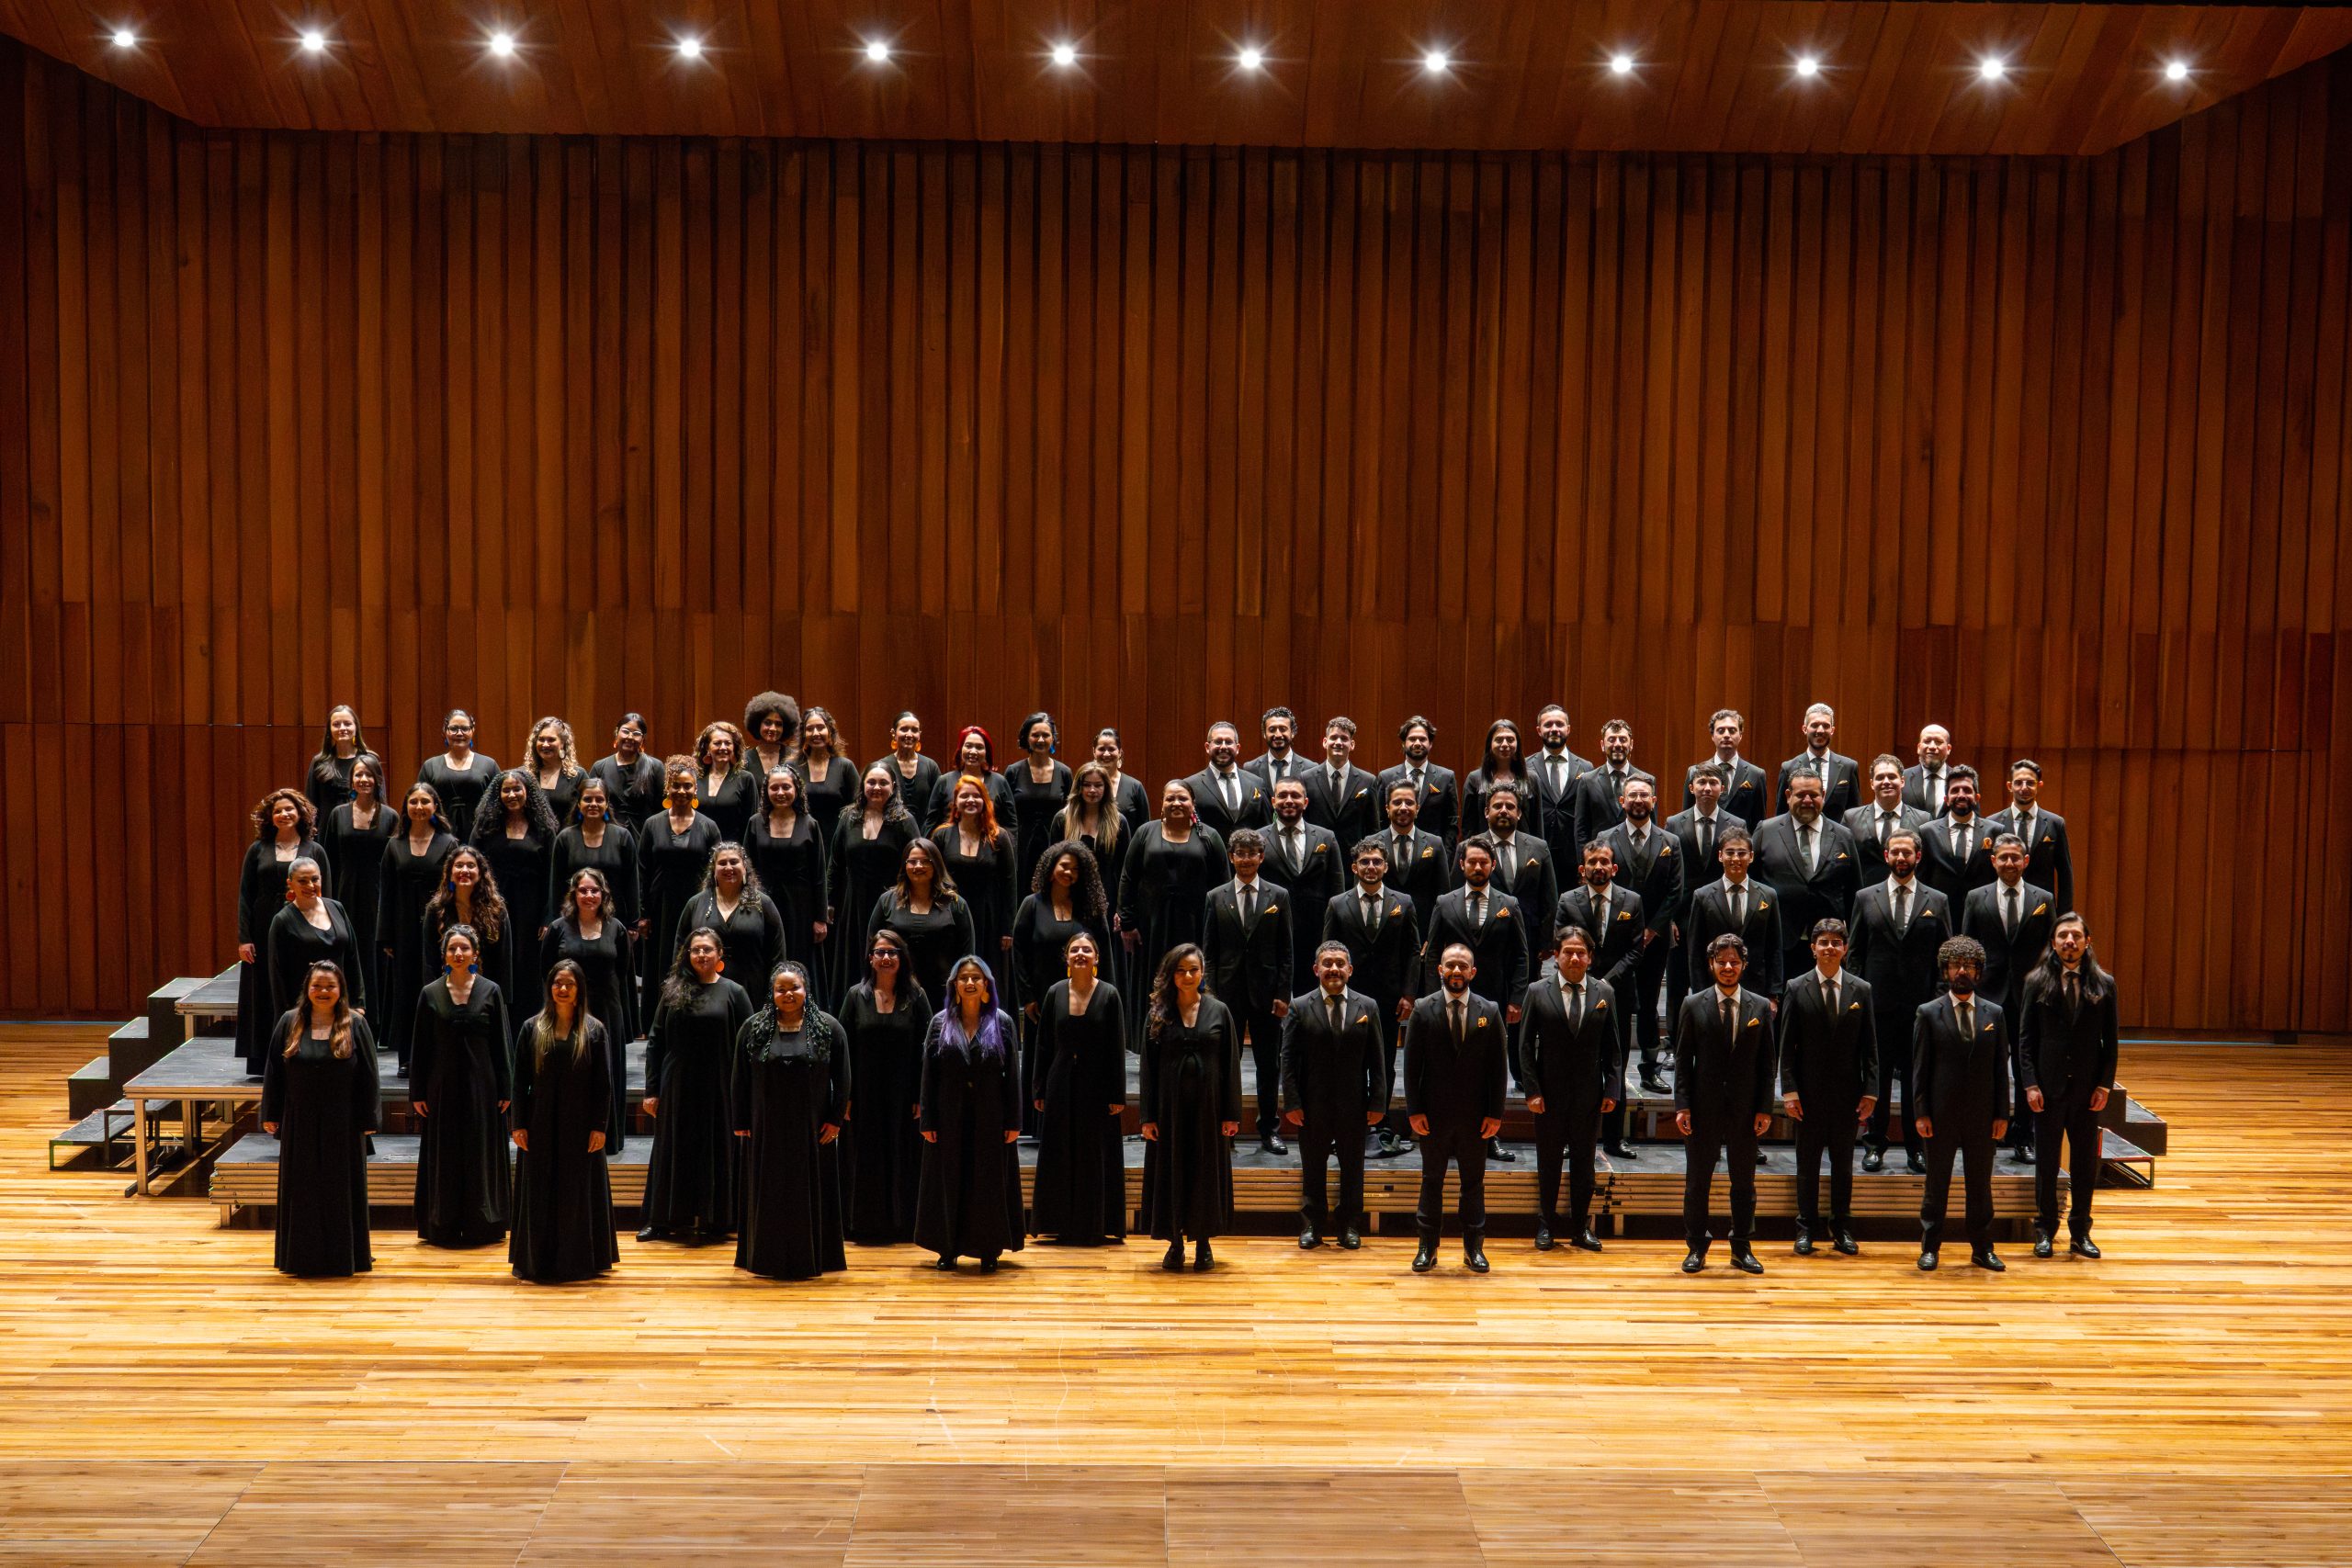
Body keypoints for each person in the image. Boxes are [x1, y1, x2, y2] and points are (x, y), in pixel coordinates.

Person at [260, 961, 381, 1278]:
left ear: (341, 990)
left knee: (339, 1188)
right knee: (303, 1189)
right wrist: (270, 1114)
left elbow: (369, 1075)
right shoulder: (290, 1022)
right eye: (317, 986)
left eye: (330, 986)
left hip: (343, 1121)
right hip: (299, 1121)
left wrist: (369, 1118)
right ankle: (302, 1258)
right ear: (307, 989)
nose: (323, 992)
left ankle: (344, 1257)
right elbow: (274, 1071)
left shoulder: (355, 1023)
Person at [732, 960, 850, 1281]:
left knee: (808, 1192)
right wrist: (741, 1118)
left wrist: (836, 1119)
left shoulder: (827, 1027)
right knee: (767, 1192)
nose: (788, 993)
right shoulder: (753, 1027)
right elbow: (739, 1078)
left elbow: (843, 1078)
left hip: (813, 1130)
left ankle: (814, 1257)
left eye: (794, 987)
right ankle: (765, 1259)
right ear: (771, 993)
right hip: (765, 1129)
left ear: (806, 990)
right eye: (780, 989)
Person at [639, 928, 753, 1243]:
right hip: (678, 1083)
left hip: (719, 1085)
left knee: (718, 1149)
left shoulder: (734, 992)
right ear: (687, 956)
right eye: (695, 950)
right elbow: (656, 1041)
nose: (701, 955)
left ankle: (719, 1220)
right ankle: (662, 1220)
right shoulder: (674, 991)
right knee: (672, 1150)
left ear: (720, 957)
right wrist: (651, 1090)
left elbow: (750, 1043)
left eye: (707, 950)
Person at [1848, 829, 1951, 1175]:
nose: (1901, 858)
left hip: (1921, 1009)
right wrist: (1859, 996)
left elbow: (1945, 955)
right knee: (1874, 1078)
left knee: (1915, 1079)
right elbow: (1856, 954)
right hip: (1877, 1005)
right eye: (1895, 852)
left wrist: (1938, 999)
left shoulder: (1937, 900)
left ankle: (1915, 1147)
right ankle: (1874, 1144)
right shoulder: (1865, 897)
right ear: (1886, 855)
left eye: (1908, 852)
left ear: (1918, 857)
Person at [507, 961, 617, 1284]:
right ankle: (538, 1260)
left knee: (577, 1192)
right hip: (540, 1123)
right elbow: (519, 1081)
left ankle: (579, 1261)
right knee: (540, 1190)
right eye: (558, 983)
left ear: (579, 988)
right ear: (550, 988)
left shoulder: (594, 1030)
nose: (564, 989)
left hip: (580, 1126)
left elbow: (603, 1084)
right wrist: (518, 1124)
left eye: (570, 983)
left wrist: (600, 1125)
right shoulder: (532, 1028)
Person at [1672, 933, 1776, 1274]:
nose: (1728, 967)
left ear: (1744, 965)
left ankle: (1742, 1247)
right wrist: (1682, 1105)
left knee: (1744, 1183)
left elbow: (1767, 1063)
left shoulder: (1760, 1006)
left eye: (1734, 961)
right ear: (1711, 964)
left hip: (1746, 1111)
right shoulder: (1693, 1004)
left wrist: (1764, 1107)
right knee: (1697, 1182)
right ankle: (1696, 1247)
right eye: (1721, 961)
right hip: (1703, 1108)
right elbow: (1683, 1060)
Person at [2017, 915, 2119, 1260]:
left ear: (2088, 941)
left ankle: (2081, 1232)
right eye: (2063, 936)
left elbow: (2112, 1042)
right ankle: (2045, 1230)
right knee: (2046, 1163)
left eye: (2076, 935)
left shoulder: (2104, 983)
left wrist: (2104, 1084)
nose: (2069, 941)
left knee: (2083, 1164)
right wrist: (2030, 1084)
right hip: (2047, 1088)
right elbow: (2025, 1040)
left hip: (2086, 1090)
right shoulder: (2035, 981)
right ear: (2053, 942)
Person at [915, 955, 1026, 1272]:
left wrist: (1014, 1121)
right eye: (963, 978)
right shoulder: (940, 1023)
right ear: (955, 986)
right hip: (949, 1116)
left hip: (990, 1117)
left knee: (987, 1183)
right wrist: (928, 1120)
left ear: (986, 985)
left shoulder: (1002, 1022)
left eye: (976, 978)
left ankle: (988, 1249)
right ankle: (948, 1248)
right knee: (949, 1180)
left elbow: (1012, 1077)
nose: (970, 983)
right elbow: (928, 1075)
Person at [1403, 943, 1508, 1273]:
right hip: (1432, 1115)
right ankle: (1427, 1247)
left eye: (1463, 966)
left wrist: (1496, 1113)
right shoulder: (1422, 1008)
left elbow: (1497, 1067)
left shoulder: (1489, 1010)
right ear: (1440, 970)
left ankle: (1473, 1248)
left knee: (1473, 1183)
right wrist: (1414, 1110)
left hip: (1475, 1117)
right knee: (1431, 1179)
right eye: (1450, 965)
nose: (1456, 971)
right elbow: (1411, 1066)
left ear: (1473, 972)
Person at [1515, 926, 1620, 1253]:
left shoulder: (1605, 992)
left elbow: (1613, 1049)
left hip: (1589, 1095)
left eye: (1581, 952)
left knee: (1584, 1165)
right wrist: (1532, 1090)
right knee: (1548, 1163)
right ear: (1556, 957)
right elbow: (1523, 1047)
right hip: (1548, 1094)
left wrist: (1612, 1089)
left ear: (1589, 958)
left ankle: (1580, 1227)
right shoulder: (1536, 991)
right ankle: (1546, 1225)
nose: (1574, 957)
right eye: (1567, 952)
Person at [1776, 919, 1878, 1257]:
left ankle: (1842, 1229)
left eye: (1836, 942)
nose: (1830, 948)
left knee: (1843, 1167)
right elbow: (1786, 1045)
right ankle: (1805, 1229)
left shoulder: (1861, 989)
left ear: (1846, 949)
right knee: (1807, 1166)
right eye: (1823, 942)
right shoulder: (1795, 986)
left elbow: (1870, 1048)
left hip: (1848, 1096)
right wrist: (1789, 1091)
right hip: (1807, 1095)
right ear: (1813, 948)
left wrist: (1871, 1091)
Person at [410, 925, 515, 1248]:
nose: (458, 953)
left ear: (475, 954)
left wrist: (506, 1089)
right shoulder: (430, 993)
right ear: (444, 956)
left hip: (482, 1087)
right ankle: (443, 1223)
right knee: (445, 1153)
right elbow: (421, 1047)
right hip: (441, 1088)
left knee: (479, 1151)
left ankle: (483, 1223)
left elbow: (501, 1044)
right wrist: (417, 1092)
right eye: (452, 949)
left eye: (464, 948)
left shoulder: (491, 990)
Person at [1138, 944, 1242, 1271]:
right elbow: (1148, 1070)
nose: (1187, 976)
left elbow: (1231, 1064)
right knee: (1171, 1170)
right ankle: (1174, 1243)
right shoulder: (1159, 1011)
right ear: (1171, 974)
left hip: (1208, 1110)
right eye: (1181, 970)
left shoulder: (1219, 1010)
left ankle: (1205, 1244)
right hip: (1169, 1111)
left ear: (1202, 973)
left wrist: (1232, 1114)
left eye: (1193, 970)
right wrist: (1147, 1117)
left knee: (1205, 1173)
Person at [1913, 935, 2012, 1271]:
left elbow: (2001, 1068)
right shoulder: (1928, 1013)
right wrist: (1921, 1111)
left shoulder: (1995, 1014)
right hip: (1940, 1115)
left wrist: (2003, 1112)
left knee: (1980, 1186)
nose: (1962, 971)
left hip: (1982, 1116)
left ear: (1979, 973)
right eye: (1956, 965)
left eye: (1969, 965)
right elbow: (1920, 1068)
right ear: (1945, 971)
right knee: (1935, 1184)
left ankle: (1982, 1248)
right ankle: (1930, 1248)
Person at [1282, 942, 1385, 1249]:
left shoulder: (1368, 1007)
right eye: (1327, 963)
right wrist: (1292, 1102)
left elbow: (1378, 1059)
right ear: (1316, 970)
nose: (1334, 969)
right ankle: (1312, 1224)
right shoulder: (1300, 1006)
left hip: (1354, 1103)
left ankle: (1349, 1225)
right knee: (1313, 1165)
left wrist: (1378, 1101)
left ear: (1350, 970)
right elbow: (1287, 1059)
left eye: (1340, 963)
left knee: (1353, 1166)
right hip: (1312, 1104)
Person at [1320, 838, 1420, 1157]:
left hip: (1390, 999)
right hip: (1348, 998)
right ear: (1354, 867)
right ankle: (1348, 1123)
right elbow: (1329, 952)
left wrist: (1408, 994)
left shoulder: (1403, 902)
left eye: (1377, 861)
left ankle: (1382, 1122)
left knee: (1385, 1063)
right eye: (1365, 862)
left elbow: (1412, 954)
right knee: (1346, 1063)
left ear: (1385, 866)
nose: (1371, 867)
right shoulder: (1338, 904)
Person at [1027, 931, 1128, 1246]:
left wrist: (1118, 1094)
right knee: (1060, 1149)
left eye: (1087, 949)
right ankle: (1059, 1222)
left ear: (1097, 958)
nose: (1081, 954)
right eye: (1075, 950)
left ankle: (1094, 1223)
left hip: (1097, 1086)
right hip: (1060, 1082)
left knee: (1093, 1152)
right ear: (1067, 958)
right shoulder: (1055, 992)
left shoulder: (1110, 994)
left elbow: (1116, 1047)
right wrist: (1039, 1088)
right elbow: (1043, 1045)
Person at [1962, 834, 2056, 1161]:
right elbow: (1968, 950)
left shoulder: (2044, 898)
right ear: (1993, 861)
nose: (2009, 863)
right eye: (2003, 858)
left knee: (2025, 1066)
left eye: (2016, 858)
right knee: (1985, 1066)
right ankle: (1983, 1130)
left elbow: (2050, 951)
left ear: (2026, 861)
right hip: (1987, 995)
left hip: (2029, 996)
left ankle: (2023, 1137)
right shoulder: (1976, 897)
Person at [1201, 829, 1293, 1156]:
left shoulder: (1278, 896)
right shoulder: (1216, 896)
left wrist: (1284, 993)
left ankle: (1269, 1130)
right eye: (1240, 854)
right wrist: (1208, 996)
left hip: (1268, 996)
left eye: (1252, 854)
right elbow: (1209, 953)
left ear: (1261, 857)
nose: (1245, 860)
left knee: (1269, 1067)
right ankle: (1225, 1129)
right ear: (1231, 856)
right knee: (1226, 1064)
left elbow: (1286, 951)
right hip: (1226, 996)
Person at [837, 930, 933, 1244]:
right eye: (880, 952)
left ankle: (904, 1225)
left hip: (904, 1096)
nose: (887, 958)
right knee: (865, 1157)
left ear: (902, 958)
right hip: (863, 1095)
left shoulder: (916, 996)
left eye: (893, 952)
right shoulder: (855, 996)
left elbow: (928, 1048)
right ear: (871, 959)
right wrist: (845, 1095)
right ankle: (862, 1224)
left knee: (902, 1155)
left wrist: (922, 1093)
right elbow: (843, 1049)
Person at [1116, 781, 1228, 1047]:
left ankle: (1194, 1034)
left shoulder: (1208, 836)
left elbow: (1223, 884)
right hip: (1151, 926)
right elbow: (1128, 878)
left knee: (1192, 976)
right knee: (1153, 979)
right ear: (1162, 803)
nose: (1176, 804)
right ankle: (1150, 1038)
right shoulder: (1145, 832)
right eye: (1170, 799)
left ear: (1193, 803)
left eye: (1182, 799)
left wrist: (1219, 926)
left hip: (1195, 924)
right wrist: (1128, 922)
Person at [234, 788, 332, 1075]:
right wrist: (244, 938)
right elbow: (245, 895)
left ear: (301, 814)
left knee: (297, 985)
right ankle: (264, 1058)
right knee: (264, 988)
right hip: (264, 925)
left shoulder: (315, 850)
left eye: (289, 809)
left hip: (302, 925)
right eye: (278, 810)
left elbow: (327, 896)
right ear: (270, 817)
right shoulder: (257, 849)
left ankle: (303, 1052)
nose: (284, 814)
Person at [1593, 775, 1680, 1093]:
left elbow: (1675, 891)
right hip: (1615, 938)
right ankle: (1607, 1069)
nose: (1639, 800)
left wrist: (1652, 929)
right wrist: (1629, 930)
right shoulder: (1606, 838)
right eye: (1633, 795)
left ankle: (1648, 1068)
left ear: (1654, 801)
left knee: (1647, 1004)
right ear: (1622, 802)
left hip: (1655, 940)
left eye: (1645, 795)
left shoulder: (1671, 842)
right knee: (1612, 1001)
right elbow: (1599, 882)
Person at [1010, 842, 1113, 1107]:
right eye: (1064, 866)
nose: (1069, 872)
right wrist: (1027, 997)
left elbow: (1105, 955)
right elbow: (1018, 952)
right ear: (1051, 867)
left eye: (1076, 869)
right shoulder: (1031, 905)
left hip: (1085, 997)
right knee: (1043, 1054)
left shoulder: (1090, 907)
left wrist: (1106, 997)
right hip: (1042, 997)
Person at [540, 868, 637, 1149]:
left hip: (607, 1010)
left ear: (603, 895)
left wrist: (629, 1024)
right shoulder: (558, 928)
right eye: (583, 890)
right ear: (574, 894)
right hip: (566, 1010)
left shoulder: (616, 928)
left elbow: (625, 973)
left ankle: (607, 1139)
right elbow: (546, 972)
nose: (589, 895)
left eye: (594, 890)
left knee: (606, 1074)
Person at [1664, 761, 1746, 1060]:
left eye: (1713, 783)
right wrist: (1670, 917)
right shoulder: (1674, 822)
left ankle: (1715, 1042)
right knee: (1677, 985)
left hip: (1721, 916)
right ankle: (1673, 1047)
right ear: (1691, 788)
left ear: (1722, 789)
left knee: (1716, 980)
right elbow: (1670, 874)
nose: (1707, 788)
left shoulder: (1737, 825)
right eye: (1702, 783)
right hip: (1682, 918)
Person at [375, 783, 458, 1073]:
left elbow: (453, 889)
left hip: (438, 929)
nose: (419, 807)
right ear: (406, 808)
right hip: (402, 929)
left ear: (435, 806)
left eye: (425, 802)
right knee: (406, 992)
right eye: (414, 802)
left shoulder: (449, 843)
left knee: (436, 988)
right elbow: (385, 892)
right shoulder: (393, 845)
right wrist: (385, 935)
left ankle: (436, 1054)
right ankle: (407, 1058)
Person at [1752, 765, 1861, 985]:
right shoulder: (1766, 831)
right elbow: (1752, 886)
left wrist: (1852, 946)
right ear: (1788, 795)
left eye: (1813, 795)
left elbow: (1854, 893)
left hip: (1828, 945)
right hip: (1780, 944)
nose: (1807, 800)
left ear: (1823, 795)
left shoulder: (1843, 835)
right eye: (1801, 795)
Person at [636, 755, 723, 1023]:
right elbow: (642, 869)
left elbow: (717, 872)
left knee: (694, 957)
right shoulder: (652, 824)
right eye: (676, 785)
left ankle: (693, 1015)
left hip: (696, 906)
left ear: (695, 789)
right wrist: (642, 913)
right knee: (660, 963)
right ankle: (658, 1020)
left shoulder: (709, 826)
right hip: (660, 905)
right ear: (667, 789)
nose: (682, 791)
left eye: (687, 786)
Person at [826, 763, 921, 1005]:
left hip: (891, 905)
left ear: (893, 787)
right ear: (863, 786)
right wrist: (829, 901)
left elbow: (917, 861)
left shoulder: (904, 820)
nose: (876, 788)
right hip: (853, 903)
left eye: (883, 783)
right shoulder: (848, 818)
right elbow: (835, 864)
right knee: (853, 962)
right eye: (871, 782)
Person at [472, 769, 559, 1025]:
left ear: (528, 792)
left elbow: (552, 875)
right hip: (494, 906)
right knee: (496, 963)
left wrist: (548, 915)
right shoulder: (486, 827)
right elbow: (474, 867)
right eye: (506, 790)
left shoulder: (544, 828)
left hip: (532, 910)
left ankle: (526, 1028)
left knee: (527, 969)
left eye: (517, 789)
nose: (511, 795)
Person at [1419, 835, 1529, 1033]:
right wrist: (1434, 996)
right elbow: (1433, 953)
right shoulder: (1444, 903)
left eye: (1483, 862)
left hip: (1495, 994)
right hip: (1451, 992)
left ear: (1493, 865)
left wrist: (1516, 999)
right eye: (1472, 862)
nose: (1478, 867)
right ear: (1462, 864)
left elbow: (1521, 955)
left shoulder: (1509, 905)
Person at [931, 772, 1020, 1007]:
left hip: (990, 917)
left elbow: (1010, 883)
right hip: (951, 918)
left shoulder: (999, 838)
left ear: (985, 803)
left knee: (990, 976)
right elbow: (935, 881)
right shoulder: (941, 835)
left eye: (976, 796)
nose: (971, 801)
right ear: (956, 803)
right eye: (964, 796)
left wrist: (1007, 929)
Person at [746, 763, 830, 998]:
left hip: (801, 906)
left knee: (799, 957)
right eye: (774, 788)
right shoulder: (755, 823)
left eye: (786, 787)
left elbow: (819, 874)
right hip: (764, 904)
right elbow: (747, 868)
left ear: (796, 789)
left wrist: (820, 918)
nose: (780, 793)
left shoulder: (809, 823)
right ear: (766, 792)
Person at [320, 753, 395, 1009]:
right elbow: (327, 859)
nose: (363, 779)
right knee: (347, 950)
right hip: (345, 892)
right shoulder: (338, 815)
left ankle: (376, 1017)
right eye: (358, 775)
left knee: (376, 956)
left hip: (378, 894)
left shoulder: (391, 816)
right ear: (351, 781)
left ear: (377, 780)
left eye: (369, 775)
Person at [674, 842, 787, 1005]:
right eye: (722, 863)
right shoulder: (696, 903)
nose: (728, 867)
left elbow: (777, 953)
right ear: (713, 870)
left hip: (753, 991)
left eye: (734, 862)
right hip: (703, 990)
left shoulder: (763, 903)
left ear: (745, 868)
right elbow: (680, 949)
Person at [870, 838, 978, 1003]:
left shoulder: (956, 904)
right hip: (896, 992)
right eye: (912, 862)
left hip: (943, 995)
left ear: (935, 865)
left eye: (925, 861)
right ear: (905, 865)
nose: (918, 866)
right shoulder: (887, 901)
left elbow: (967, 954)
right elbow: (871, 947)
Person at [265, 856, 367, 1030]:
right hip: (303, 1011)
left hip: (340, 1004)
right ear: (290, 884)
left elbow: (352, 956)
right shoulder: (282, 920)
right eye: (302, 881)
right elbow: (277, 974)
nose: (310, 886)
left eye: (315, 879)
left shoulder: (337, 908)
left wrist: (358, 1003)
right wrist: (288, 1016)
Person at [423, 846, 516, 1033]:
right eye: (458, 866)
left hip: (486, 997)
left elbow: (504, 961)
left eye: (470, 866)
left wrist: (501, 1001)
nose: (464, 871)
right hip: (446, 995)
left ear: (480, 873)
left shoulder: (497, 910)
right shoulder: (436, 909)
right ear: (449, 874)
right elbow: (429, 959)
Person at [1264, 778, 1343, 997]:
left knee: (1311, 997)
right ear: (1273, 801)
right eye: (1282, 796)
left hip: (1315, 929)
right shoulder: (1259, 839)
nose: (1289, 800)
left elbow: (1336, 888)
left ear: (1306, 802)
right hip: (1273, 929)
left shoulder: (1326, 837)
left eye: (1295, 796)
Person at [1981, 760, 2075, 919]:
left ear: (2039, 785)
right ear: (2009, 786)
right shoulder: (1993, 823)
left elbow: (2065, 874)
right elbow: (1986, 872)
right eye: (2018, 783)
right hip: (2001, 907)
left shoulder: (2055, 823)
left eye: (2030, 783)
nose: (2024, 788)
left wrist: (2064, 917)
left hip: (2042, 909)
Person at [550, 774, 641, 931]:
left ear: (607, 804)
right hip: (572, 920)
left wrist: (633, 923)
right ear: (578, 803)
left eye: (599, 800)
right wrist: (552, 920)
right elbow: (556, 885)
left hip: (615, 920)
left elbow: (632, 882)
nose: (593, 804)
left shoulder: (622, 837)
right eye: (587, 799)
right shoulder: (565, 838)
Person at [1483, 783, 1558, 954]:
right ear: (1487, 812)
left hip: (1529, 939)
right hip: (1484, 938)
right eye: (1497, 806)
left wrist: (1546, 942)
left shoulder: (1539, 847)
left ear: (1519, 813)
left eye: (1510, 807)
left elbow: (1549, 899)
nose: (1504, 811)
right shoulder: (1470, 847)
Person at [1005, 712, 1074, 892]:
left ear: (1053, 738)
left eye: (1046, 735)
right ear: (1027, 738)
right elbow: (1006, 813)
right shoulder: (1013, 772)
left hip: (1055, 845)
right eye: (1035, 735)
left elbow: (1072, 813)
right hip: (1020, 848)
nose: (1041, 740)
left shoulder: (1064, 772)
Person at [1568, 719, 1652, 862]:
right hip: (1600, 861)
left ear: (1631, 744)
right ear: (1602, 745)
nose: (1617, 744)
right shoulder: (1587, 781)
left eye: (1623, 739)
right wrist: (1584, 865)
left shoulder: (1646, 781)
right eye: (1612, 739)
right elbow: (1581, 830)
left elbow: (1652, 826)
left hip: (1636, 858)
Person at [1376, 781, 1453, 931]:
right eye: (1397, 802)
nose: (1403, 807)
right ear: (1387, 808)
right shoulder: (1372, 844)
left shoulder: (1435, 844)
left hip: (1424, 930)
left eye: (1409, 803)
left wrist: (1434, 936)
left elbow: (1443, 896)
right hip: (1382, 929)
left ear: (1417, 808)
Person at [1376, 715, 1459, 853]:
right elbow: (1379, 822)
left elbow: (1451, 824)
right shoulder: (1386, 777)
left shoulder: (1446, 777)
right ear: (1403, 743)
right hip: (1394, 853)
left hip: (1433, 854)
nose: (1417, 743)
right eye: (1412, 739)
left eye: (1422, 739)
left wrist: (1446, 859)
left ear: (1430, 744)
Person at [1846, 754, 1931, 888]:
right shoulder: (1851, 818)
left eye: (1892, 777)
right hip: (1864, 898)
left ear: (1902, 781)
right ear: (1871, 784)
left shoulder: (1923, 820)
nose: (1886, 781)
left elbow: (1927, 866)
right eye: (1880, 777)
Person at [416, 708, 499, 840]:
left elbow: (497, 804)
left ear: (473, 730)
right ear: (445, 731)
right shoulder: (430, 766)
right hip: (439, 837)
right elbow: (420, 803)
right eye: (454, 728)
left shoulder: (489, 765)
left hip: (481, 837)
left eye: (464, 728)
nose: (459, 733)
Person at [923, 727, 1021, 837]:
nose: (973, 752)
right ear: (960, 750)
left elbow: (1011, 824)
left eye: (979, 747)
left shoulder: (999, 782)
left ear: (986, 753)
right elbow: (931, 823)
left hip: (991, 848)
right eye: (968, 746)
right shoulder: (944, 781)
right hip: (950, 848)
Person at [1918, 765, 1996, 904]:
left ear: (1977, 797)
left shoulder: (1995, 831)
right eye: (1955, 791)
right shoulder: (1927, 832)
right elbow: (1923, 879)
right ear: (1946, 799)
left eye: (1967, 790)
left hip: (1982, 910)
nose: (1961, 795)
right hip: (1941, 911)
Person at [1527, 705, 1593, 868]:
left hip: (1573, 855)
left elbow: (1588, 814)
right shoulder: (1525, 767)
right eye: (1548, 725)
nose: (1554, 729)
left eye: (1559, 724)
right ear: (1538, 730)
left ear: (1568, 729)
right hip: (1536, 854)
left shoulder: (1586, 768)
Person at [1302, 716, 1382, 847]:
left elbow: (1373, 828)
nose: (1338, 742)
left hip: (1354, 858)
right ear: (1324, 742)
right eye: (1333, 737)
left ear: (1352, 745)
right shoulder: (1306, 778)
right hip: (1317, 856)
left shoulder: (1367, 781)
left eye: (1344, 739)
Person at [1183, 721, 1271, 840]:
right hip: (1210, 855)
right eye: (1218, 742)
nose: (1223, 746)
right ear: (1207, 747)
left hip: (1247, 856)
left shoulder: (1256, 783)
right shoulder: (1191, 785)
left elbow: (1266, 828)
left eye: (1229, 742)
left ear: (1238, 748)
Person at [1681, 708, 1767, 824]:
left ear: (1740, 735)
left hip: (1740, 840)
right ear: (1712, 736)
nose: (1726, 735)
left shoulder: (1756, 774)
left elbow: (1759, 821)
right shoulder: (1694, 772)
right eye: (1721, 731)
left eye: (1732, 730)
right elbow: (1686, 817)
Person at [1774, 703, 1860, 817]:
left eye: (1826, 726)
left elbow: (1854, 814)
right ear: (1805, 729)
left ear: (1832, 730)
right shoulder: (1788, 768)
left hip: (1837, 834)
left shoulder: (1849, 767)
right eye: (1814, 725)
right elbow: (1782, 814)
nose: (1820, 730)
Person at [796, 705, 861, 845]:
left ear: (830, 731)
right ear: (803, 735)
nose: (815, 733)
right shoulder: (791, 768)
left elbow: (859, 807)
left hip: (838, 843)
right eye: (809, 729)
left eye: (820, 727)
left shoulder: (845, 766)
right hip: (800, 843)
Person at [1459, 718, 1532, 841]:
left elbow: (1537, 825)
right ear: (1490, 745)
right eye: (1499, 740)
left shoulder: (1531, 779)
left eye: (1510, 740)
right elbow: (1468, 827)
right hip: (1483, 852)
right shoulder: (1474, 779)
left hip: (1523, 852)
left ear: (1517, 745)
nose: (1504, 744)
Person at [588, 713, 665, 827]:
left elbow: (662, 808)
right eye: (625, 731)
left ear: (643, 739)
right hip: (609, 836)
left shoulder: (655, 767)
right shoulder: (600, 767)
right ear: (616, 733)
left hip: (645, 837)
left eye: (636, 734)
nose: (630, 737)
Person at [693, 720, 761, 842]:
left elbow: (751, 824)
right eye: (717, 743)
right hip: (699, 851)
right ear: (708, 748)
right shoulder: (696, 778)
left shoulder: (745, 779)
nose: (723, 747)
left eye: (727, 743)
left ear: (734, 747)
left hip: (732, 853)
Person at [304, 704, 373, 820]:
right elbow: (310, 802)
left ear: (356, 728)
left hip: (362, 827)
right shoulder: (319, 762)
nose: (342, 728)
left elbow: (379, 798)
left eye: (347, 724)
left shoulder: (369, 760)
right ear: (329, 730)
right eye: (336, 725)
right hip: (326, 829)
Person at [523, 716, 587, 829]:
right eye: (541, 739)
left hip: (566, 842)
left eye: (551, 740)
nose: (545, 744)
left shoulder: (578, 775)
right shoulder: (524, 774)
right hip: (533, 843)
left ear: (562, 743)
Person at [877, 711, 942, 822]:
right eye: (904, 729)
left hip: (925, 836)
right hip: (891, 833)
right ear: (893, 733)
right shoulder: (883, 766)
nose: (909, 734)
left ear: (919, 734)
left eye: (914, 730)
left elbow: (940, 805)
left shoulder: (931, 766)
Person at [1090, 728, 1154, 840]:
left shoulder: (1135, 787)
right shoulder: (1085, 784)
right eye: (1101, 749)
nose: (1106, 754)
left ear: (1119, 752)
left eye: (1111, 749)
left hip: (1127, 855)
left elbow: (1145, 830)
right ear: (1094, 752)